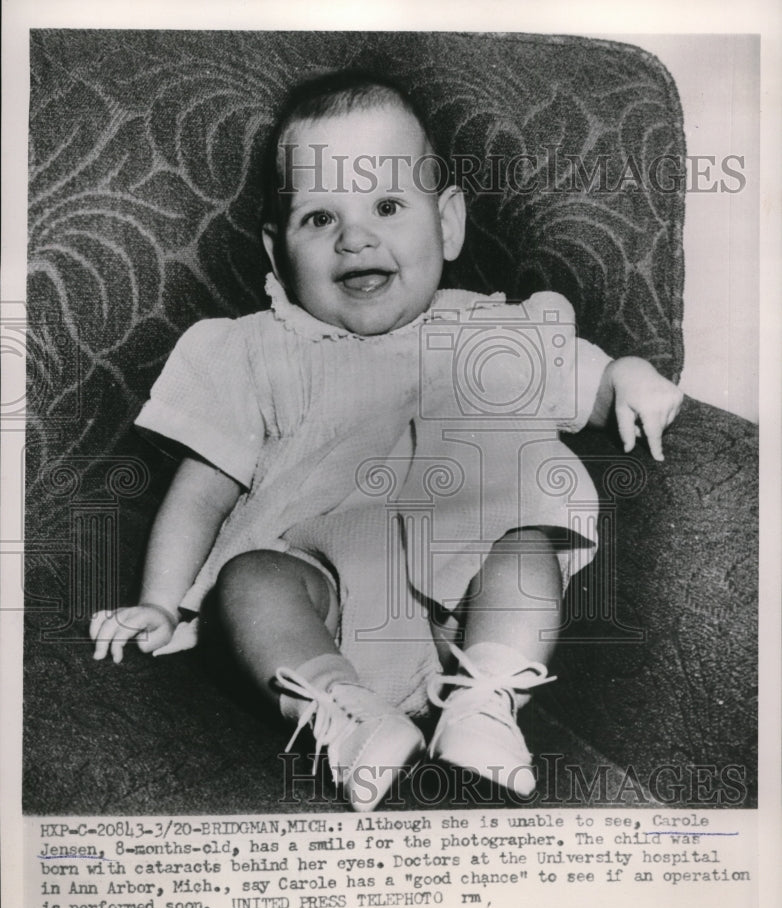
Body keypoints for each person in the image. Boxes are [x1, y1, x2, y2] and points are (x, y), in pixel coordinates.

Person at [90, 72, 683, 812]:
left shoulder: (491, 336)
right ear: (277, 253)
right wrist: (159, 602)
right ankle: (341, 715)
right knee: (250, 581)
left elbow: (587, 384)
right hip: (320, 599)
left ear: (449, 225)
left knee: (527, 546)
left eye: (388, 205)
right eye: (318, 218)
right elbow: (200, 490)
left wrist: (628, 376)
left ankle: (486, 702)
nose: (355, 235)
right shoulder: (252, 349)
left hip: (460, 616)